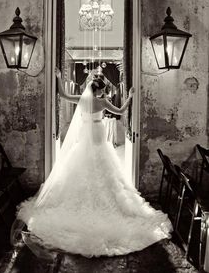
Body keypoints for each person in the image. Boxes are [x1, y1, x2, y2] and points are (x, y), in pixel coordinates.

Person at [15, 68, 172, 257]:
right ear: (98, 91)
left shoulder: (82, 100)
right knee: (104, 166)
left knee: (80, 167)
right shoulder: (103, 102)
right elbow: (121, 111)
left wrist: (58, 78)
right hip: (98, 136)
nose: (103, 93)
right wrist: (129, 97)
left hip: (85, 138)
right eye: (102, 90)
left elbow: (63, 94)